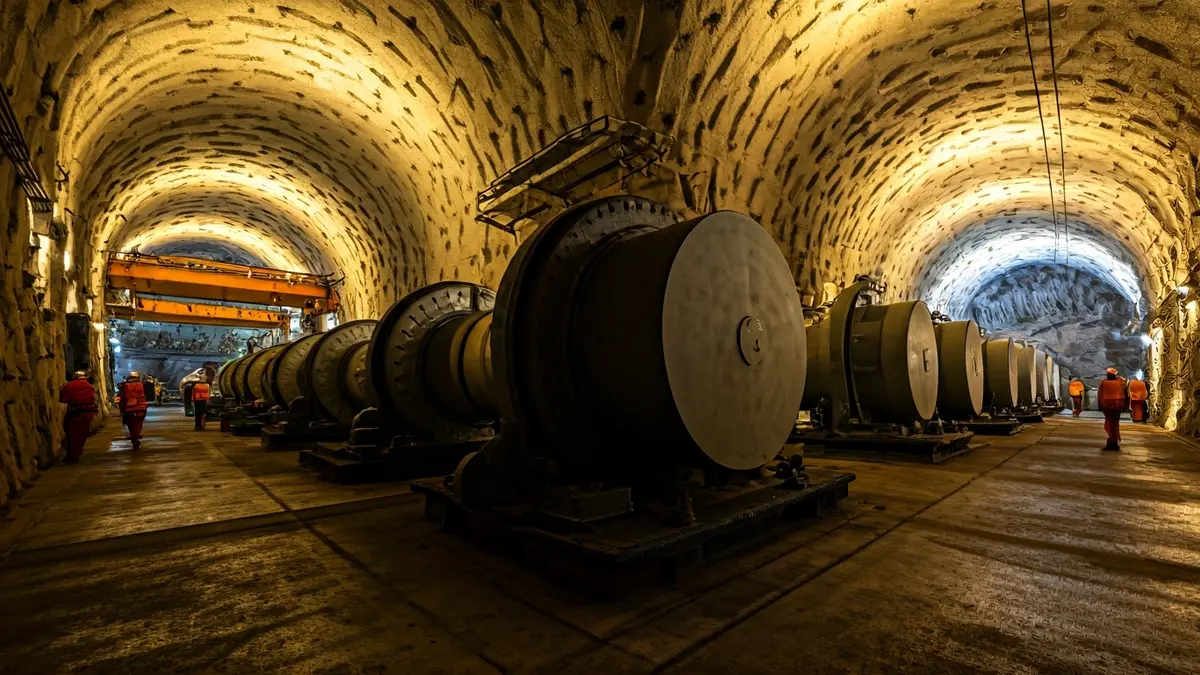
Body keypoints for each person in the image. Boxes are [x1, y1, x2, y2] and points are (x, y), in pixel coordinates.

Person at [59, 371, 97, 463]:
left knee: (71, 434)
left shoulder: (69, 385)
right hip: (88, 413)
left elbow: (63, 399)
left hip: (74, 413)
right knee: (82, 434)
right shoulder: (89, 386)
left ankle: (72, 455)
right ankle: (77, 452)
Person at [1097, 367, 1128, 451]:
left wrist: (1100, 406)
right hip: (1117, 406)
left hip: (1107, 406)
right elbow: (1125, 382)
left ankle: (1112, 441)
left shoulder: (1104, 383)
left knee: (1110, 424)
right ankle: (1114, 440)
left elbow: (1100, 395)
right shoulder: (1119, 383)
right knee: (1115, 424)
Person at [118, 371, 149, 450]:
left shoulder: (126, 386)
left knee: (130, 425)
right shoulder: (141, 385)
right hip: (142, 408)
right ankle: (137, 436)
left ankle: (134, 438)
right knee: (139, 423)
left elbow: (123, 398)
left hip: (130, 408)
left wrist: (122, 409)